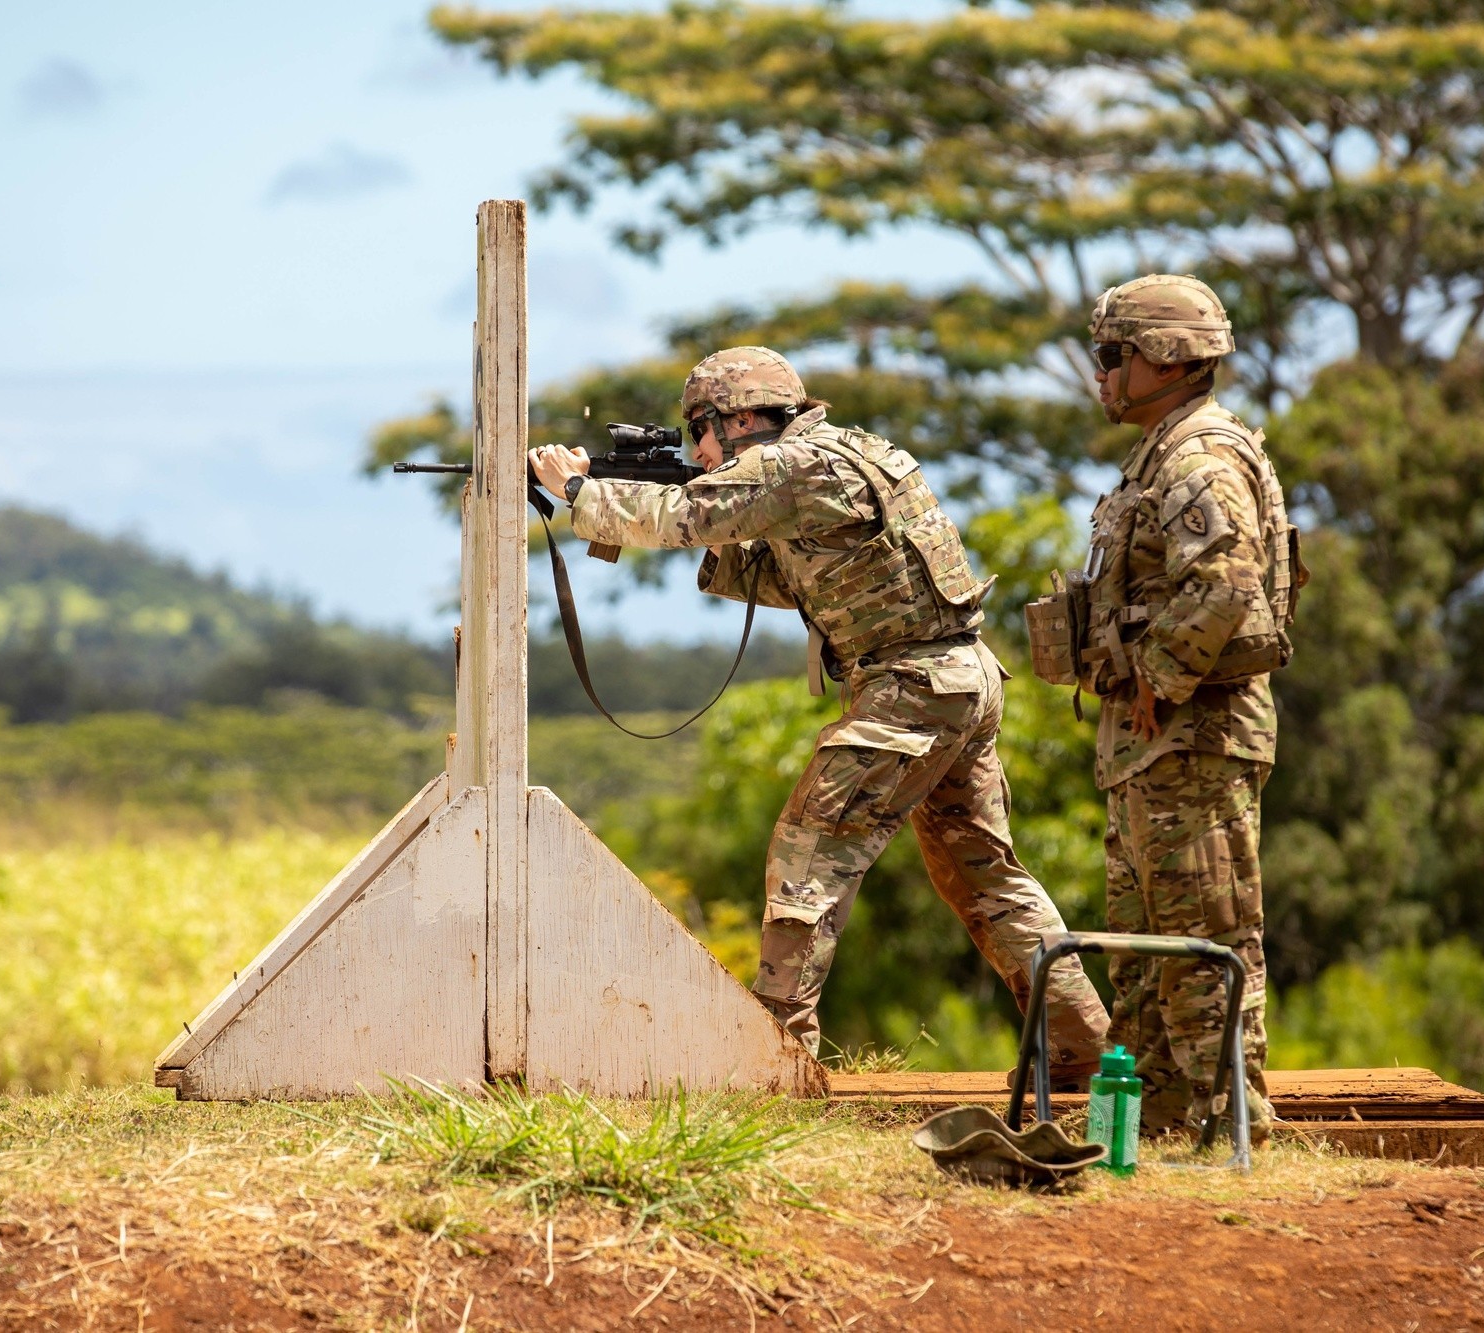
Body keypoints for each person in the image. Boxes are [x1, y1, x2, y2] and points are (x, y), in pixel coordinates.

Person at [528, 347, 1110, 1077]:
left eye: (700, 432)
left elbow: (682, 515)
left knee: (808, 856)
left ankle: (774, 1058)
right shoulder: (837, 455)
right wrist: (619, 501)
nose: (698, 451)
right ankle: (1090, 1057)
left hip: (912, 686)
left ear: (740, 419)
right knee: (986, 879)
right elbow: (796, 574)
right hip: (953, 678)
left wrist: (578, 488)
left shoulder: (790, 465)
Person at [1073, 275, 1304, 1141]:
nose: (1101, 374)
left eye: (1112, 354)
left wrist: (1159, 676)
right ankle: (1150, 1135)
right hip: (1155, 748)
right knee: (1146, 961)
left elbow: (1228, 581)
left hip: (1191, 740)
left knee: (1205, 948)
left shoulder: (1200, 454)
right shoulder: (1168, 450)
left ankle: (1230, 1133)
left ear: (1164, 359)